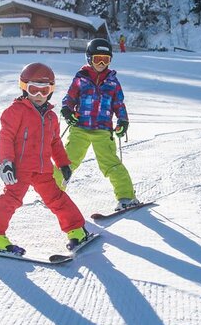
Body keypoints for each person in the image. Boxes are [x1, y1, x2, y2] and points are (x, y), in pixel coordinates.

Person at [0, 62, 89, 253]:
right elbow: (6, 137)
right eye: (33, 90)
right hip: (21, 169)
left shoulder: (51, 116)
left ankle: (76, 228)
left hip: (43, 169)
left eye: (44, 91)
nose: (39, 96)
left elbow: (55, 143)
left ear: (51, 91)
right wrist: (7, 163)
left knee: (57, 198)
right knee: (11, 199)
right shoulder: (15, 111)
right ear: (24, 88)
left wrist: (63, 163)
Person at [54, 38, 139, 211]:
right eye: (97, 59)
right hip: (80, 127)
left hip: (102, 130)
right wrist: (67, 111)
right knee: (67, 161)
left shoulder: (113, 82)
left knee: (110, 164)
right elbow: (69, 99)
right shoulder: (80, 79)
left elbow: (119, 104)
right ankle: (53, 192)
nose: (101, 63)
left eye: (105, 60)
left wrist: (123, 120)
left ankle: (126, 197)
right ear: (89, 58)